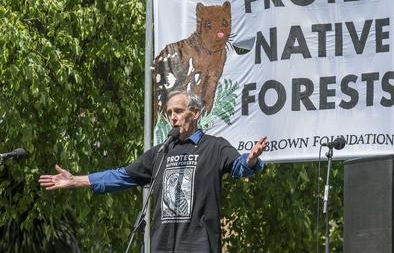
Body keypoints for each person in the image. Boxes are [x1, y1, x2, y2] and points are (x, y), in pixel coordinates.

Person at [39, 90, 268, 252]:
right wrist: (76, 180)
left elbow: (240, 168)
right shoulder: (160, 153)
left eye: (178, 111)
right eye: (169, 112)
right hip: (163, 245)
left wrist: (250, 160)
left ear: (196, 113)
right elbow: (121, 176)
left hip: (199, 245)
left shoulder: (215, 146)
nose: (172, 117)